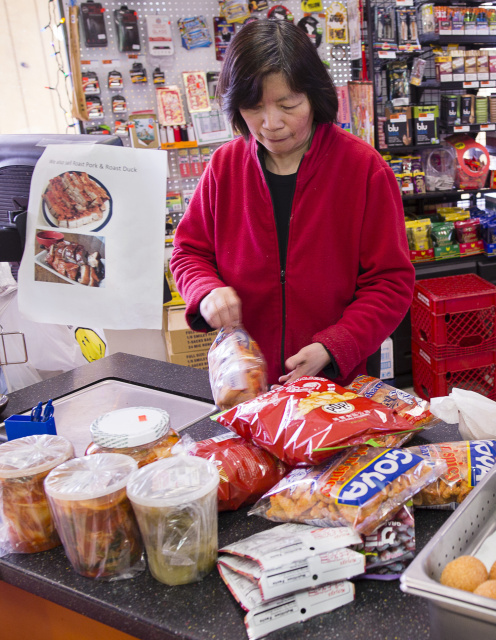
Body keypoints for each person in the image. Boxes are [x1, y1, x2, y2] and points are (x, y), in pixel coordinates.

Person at [170, 20, 414, 386]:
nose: (271, 124)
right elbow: (188, 252)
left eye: (288, 105)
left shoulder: (364, 169)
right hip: (244, 375)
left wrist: (335, 346)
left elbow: (390, 282)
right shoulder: (224, 166)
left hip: (335, 383)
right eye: (254, 107)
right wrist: (206, 290)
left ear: (314, 96)